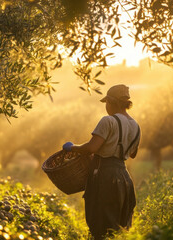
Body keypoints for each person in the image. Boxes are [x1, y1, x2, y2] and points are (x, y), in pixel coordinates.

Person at [62, 84, 141, 240]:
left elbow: (91, 148)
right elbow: (133, 154)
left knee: (100, 225)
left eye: (106, 103)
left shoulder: (108, 121)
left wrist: (72, 148)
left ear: (111, 102)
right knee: (119, 227)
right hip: (124, 177)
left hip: (105, 176)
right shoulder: (136, 126)